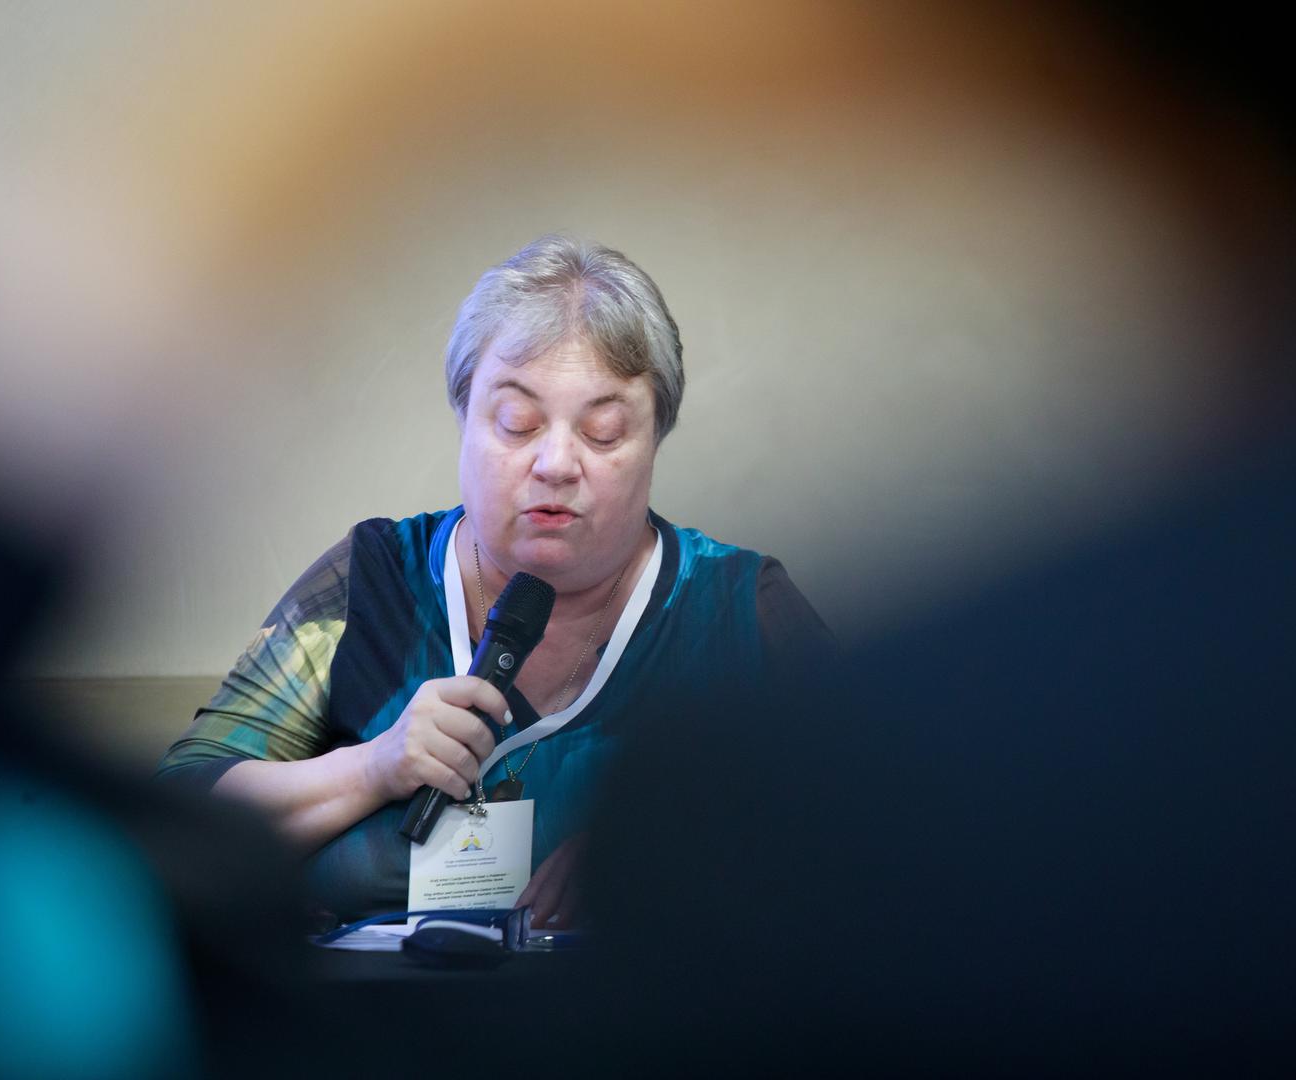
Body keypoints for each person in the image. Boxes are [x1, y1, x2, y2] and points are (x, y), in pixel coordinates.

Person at [157, 234, 834, 926]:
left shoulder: (739, 610)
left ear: (655, 439)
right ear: (464, 417)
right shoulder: (374, 579)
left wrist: (683, 842)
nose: (556, 464)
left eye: (602, 431)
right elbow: (172, 822)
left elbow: (875, 821)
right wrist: (373, 768)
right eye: (518, 423)